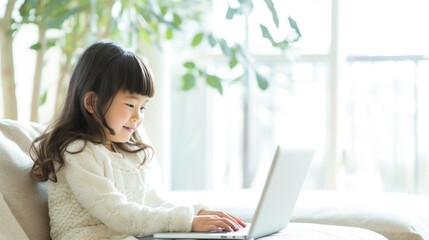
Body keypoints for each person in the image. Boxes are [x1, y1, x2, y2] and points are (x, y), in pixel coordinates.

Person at [30, 40, 246, 240]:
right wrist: (185, 221)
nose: (138, 117)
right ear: (92, 102)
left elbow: (151, 201)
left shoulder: (128, 151)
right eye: (130, 105)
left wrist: (197, 212)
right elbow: (118, 213)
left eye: (143, 107)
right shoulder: (78, 152)